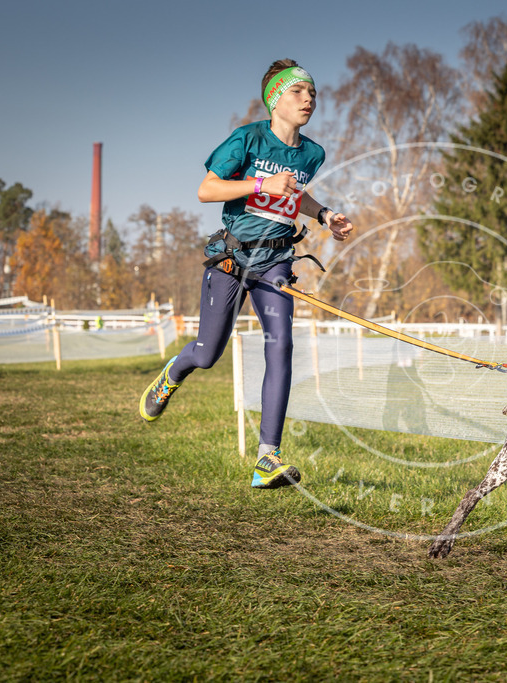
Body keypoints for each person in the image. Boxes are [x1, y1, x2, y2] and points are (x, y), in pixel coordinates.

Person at [139, 59, 353, 489]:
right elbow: (207, 189)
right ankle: (172, 375)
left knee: (281, 349)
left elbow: (296, 193)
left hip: (274, 262)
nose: (308, 99)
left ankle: (267, 459)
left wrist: (325, 214)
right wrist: (260, 185)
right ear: (275, 99)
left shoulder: (313, 153)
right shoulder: (247, 139)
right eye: (298, 92)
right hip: (232, 260)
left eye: (312, 93)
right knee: (207, 354)